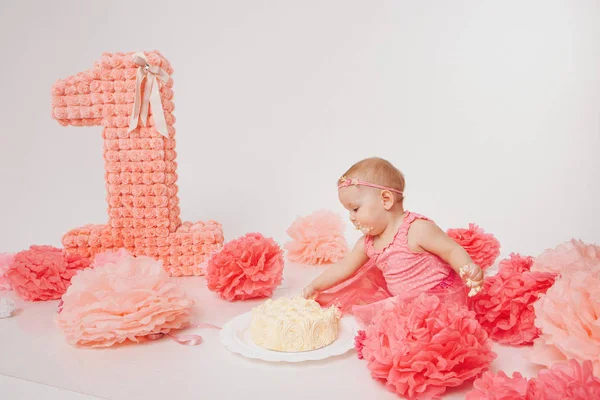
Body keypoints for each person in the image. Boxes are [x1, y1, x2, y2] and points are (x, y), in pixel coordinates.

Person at [301, 157, 484, 325]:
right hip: (406, 305)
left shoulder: (416, 229)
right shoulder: (367, 243)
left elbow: (451, 250)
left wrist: (467, 268)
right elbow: (343, 267)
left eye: (355, 209)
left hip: (439, 298)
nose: (351, 217)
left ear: (386, 200)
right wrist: (315, 285)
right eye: (349, 211)